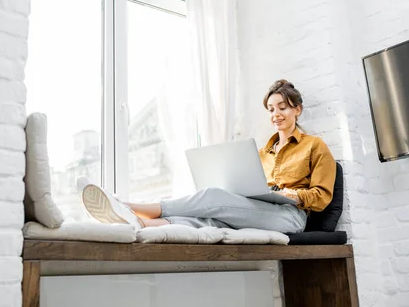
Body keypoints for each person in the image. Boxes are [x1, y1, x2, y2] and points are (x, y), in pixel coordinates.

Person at [82, 79, 336, 234]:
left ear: (297, 110)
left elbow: (322, 198)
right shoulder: (261, 153)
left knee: (213, 197)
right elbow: (251, 189)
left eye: (283, 107)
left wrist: (291, 194)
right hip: (260, 209)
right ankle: (137, 223)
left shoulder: (314, 146)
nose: (276, 114)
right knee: (210, 221)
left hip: (290, 217)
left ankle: (129, 206)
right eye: (271, 109)